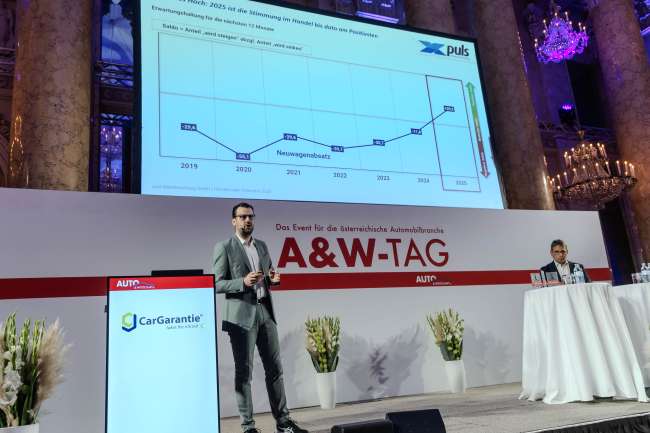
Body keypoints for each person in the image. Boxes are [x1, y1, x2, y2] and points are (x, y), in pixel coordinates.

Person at [213, 202, 308, 433]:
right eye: (242, 217)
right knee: (243, 373)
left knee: (275, 369)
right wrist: (242, 282)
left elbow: (269, 273)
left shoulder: (262, 246)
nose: (247, 220)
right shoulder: (224, 247)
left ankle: (283, 423)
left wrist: (273, 279)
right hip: (240, 317)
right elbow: (216, 283)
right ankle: (248, 427)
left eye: (251, 217)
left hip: (265, 311)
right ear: (233, 221)